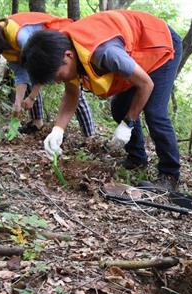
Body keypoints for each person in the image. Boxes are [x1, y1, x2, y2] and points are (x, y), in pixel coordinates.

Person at [20, 9, 182, 191]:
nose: (58, 80)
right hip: (135, 55)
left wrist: (128, 123)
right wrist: (58, 130)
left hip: (160, 45)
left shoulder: (105, 53)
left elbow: (146, 85)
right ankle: (137, 159)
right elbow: (71, 94)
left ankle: (170, 175)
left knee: (154, 111)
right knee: (119, 106)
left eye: (57, 75)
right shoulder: (68, 52)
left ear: (68, 56)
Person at [0, 10, 95, 138]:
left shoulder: (17, 35)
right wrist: (18, 103)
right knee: (30, 80)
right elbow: (21, 73)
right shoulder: (2, 43)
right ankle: (36, 123)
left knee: (73, 89)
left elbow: (40, 66)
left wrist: (32, 97)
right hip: (45, 56)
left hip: (61, 45)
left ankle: (90, 136)